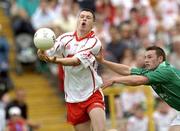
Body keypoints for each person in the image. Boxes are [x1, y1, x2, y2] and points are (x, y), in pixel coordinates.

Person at [37, 9, 106, 131]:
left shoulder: (94, 42)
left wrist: (54, 60)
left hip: (92, 93)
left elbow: (75, 61)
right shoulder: (65, 38)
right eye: (82, 16)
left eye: (88, 17)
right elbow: (49, 52)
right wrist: (42, 50)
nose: (84, 19)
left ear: (93, 23)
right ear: (77, 20)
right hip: (73, 97)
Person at [96, 46, 180, 131]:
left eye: (150, 57)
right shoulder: (151, 71)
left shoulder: (164, 71)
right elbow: (127, 70)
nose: (146, 60)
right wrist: (103, 61)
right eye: (145, 57)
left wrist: (115, 79)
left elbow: (138, 80)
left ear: (160, 59)